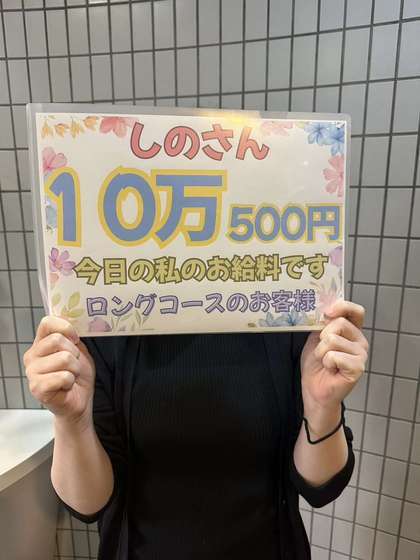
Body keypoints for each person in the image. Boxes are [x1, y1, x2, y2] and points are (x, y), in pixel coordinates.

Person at [24, 299, 368, 560]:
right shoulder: (108, 315)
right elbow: (88, 505)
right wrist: (72, 420)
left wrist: (323, 406)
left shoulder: (283, 308)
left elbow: (321, 486)